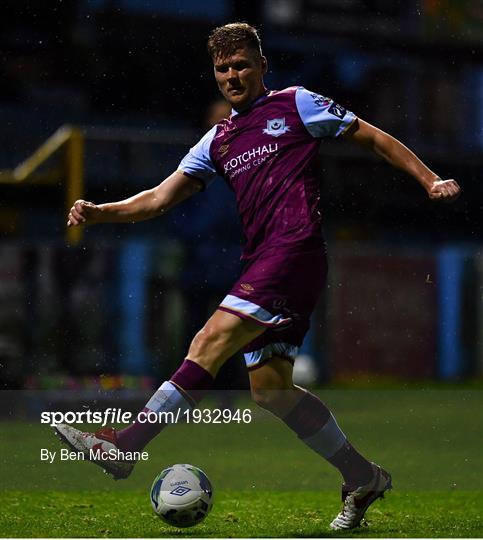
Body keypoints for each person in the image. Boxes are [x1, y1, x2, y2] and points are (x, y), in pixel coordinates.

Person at [55, 23, 461, 530]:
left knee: (211, 337)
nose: (233, 76)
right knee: (270, 391)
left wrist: (429, 179)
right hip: (263, 261)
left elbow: (373, 137)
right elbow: (159, 198)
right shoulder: (218, 139)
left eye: (242, 65)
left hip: (294, 251)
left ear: (262, 66)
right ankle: (362, 477)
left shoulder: (297, 104)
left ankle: (125, 446)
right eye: (223, 69)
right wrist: (100, 211)